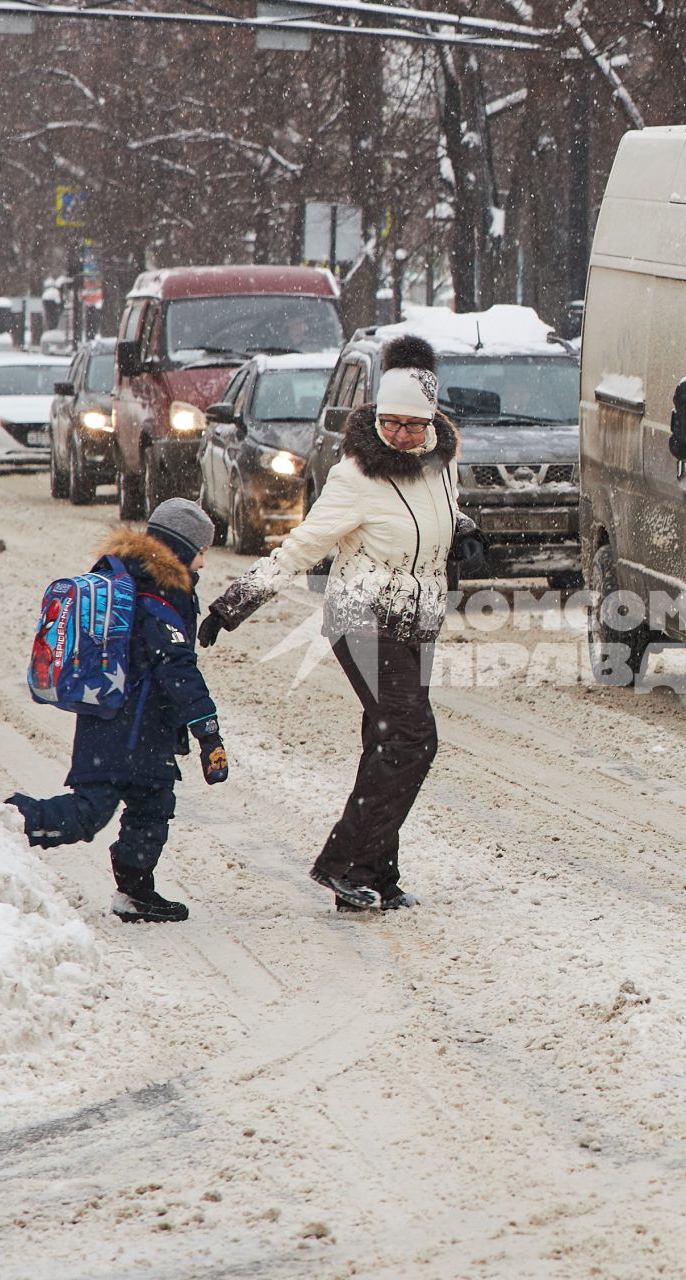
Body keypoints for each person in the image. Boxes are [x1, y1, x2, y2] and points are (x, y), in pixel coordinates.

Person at [199, 335, 478, 913]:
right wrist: (236, 602)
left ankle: (374, 873)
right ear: (377, 416)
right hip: (362, 617)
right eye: (391, 421)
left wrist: (467, 534)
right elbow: (301, 547)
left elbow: (445, 513)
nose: (400, 434)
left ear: (430, 423)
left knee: (387, 740)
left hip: (417, 619)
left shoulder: (442, 463)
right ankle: (344, 862)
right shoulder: (356, 477)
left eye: (412, 424)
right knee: (411, 737)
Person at [8, 499, 228, 924]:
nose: (204, 559)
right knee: (92, 811)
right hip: (133, 728)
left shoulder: (128, 576)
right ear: (182, 547)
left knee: (153, 803)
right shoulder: (159, 594)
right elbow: (178, 669)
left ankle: (136, 893)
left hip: (112, 717)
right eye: (202, 549)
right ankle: (9, 820)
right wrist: (208, 730)